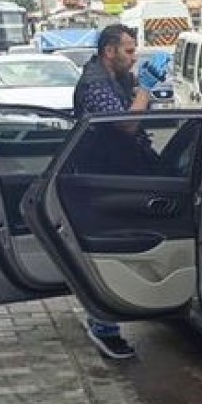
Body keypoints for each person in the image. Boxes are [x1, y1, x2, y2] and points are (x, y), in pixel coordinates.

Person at [72, 24, 152, 360]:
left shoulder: (118, 79)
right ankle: (103, 323)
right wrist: (143, 96)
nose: (133, 58)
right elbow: (125, 124)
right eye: (129, 51)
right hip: (101, 179)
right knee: (107, 253)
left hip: (121, 173)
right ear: (109, 51)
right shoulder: (94, 83)